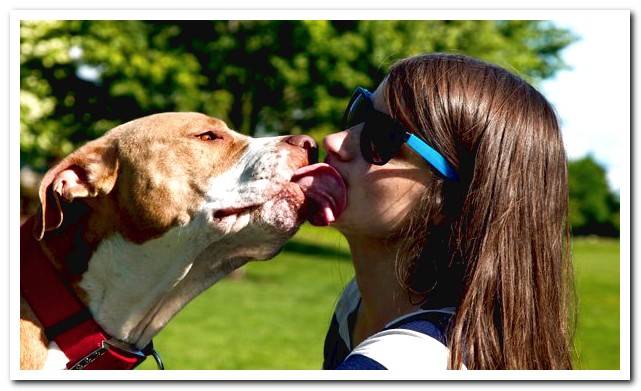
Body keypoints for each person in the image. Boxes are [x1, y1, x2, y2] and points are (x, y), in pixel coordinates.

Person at [311, 53, 575, 370]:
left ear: (452, 199)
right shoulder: (357, 303)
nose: (335, 141)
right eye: (361, 110)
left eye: (382, 138)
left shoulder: (403, 365)